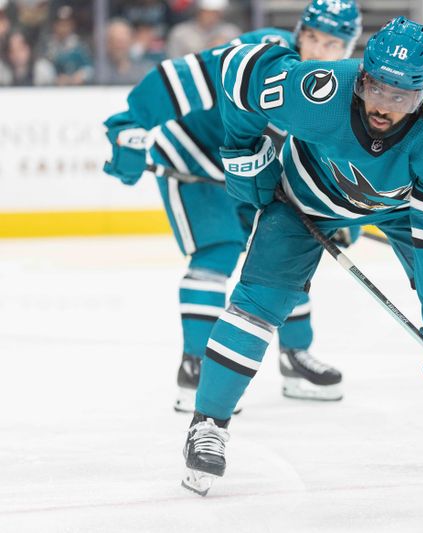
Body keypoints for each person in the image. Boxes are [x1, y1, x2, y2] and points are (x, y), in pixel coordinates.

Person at [180, 16, 423, 496]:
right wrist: (244, 154)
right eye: (375, 90)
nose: (382, 107)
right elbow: (241, 72)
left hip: (402, 208)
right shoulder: (321, 92)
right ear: (363, 76)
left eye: (400, 97)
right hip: (305, 197)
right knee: (258, 303)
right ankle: (207, 426)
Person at [101, 0, 363, 413]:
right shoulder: (262, 55)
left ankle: (295, 356)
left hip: (250, 173)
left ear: (348, 48)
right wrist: (130, 124)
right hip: (193, 155)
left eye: (330, 43)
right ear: (299, 30)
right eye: (311, 36)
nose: (315, 50)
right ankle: (196, 365)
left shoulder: (343, 90)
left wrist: (342, 210)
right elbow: (181, 78)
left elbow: (330, 154)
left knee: (285, 253)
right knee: (217, 252)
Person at [166, 0, 241, 58]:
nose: (211, 16)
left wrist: (225, 48)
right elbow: (173, 61)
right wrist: (207, 52)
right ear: (199, 11)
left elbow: (239, 59)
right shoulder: (180, 32)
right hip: (187, 75)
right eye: (207, 12)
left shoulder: (231, 31)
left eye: (216, 13)